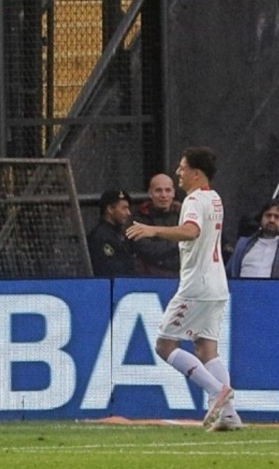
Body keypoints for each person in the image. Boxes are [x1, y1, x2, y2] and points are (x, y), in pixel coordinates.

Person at [126, 146, 239, 432]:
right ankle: (229, 415)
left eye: (182, 167)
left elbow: (191, 231)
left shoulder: (193, 200)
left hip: (196, 286)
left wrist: (154, 230)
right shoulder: (214, 198)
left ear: (196, 173)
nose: (179, 172)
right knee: (206, 349)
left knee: (164, 346)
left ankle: (216, 391)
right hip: (217, 284)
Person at [227, 199, 279, 278]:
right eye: (268, 215)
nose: (272, 220)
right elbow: (230, 273)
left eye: (277, 217)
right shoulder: (243, 245)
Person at [133, 174, 181, 277]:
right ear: (150, 193)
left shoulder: (184, 215)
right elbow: (150, 251)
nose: (164, 195)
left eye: (168, 190)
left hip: (183, 277)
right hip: (151, 278)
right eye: (158, 191)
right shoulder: (138, 219)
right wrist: (181, 241)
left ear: (173, 193)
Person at [88, 189, 135, 277]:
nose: (128, 213)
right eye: (124, 208)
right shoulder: (101, 235)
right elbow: (107, 268)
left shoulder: (119, 234)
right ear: (110, 209)